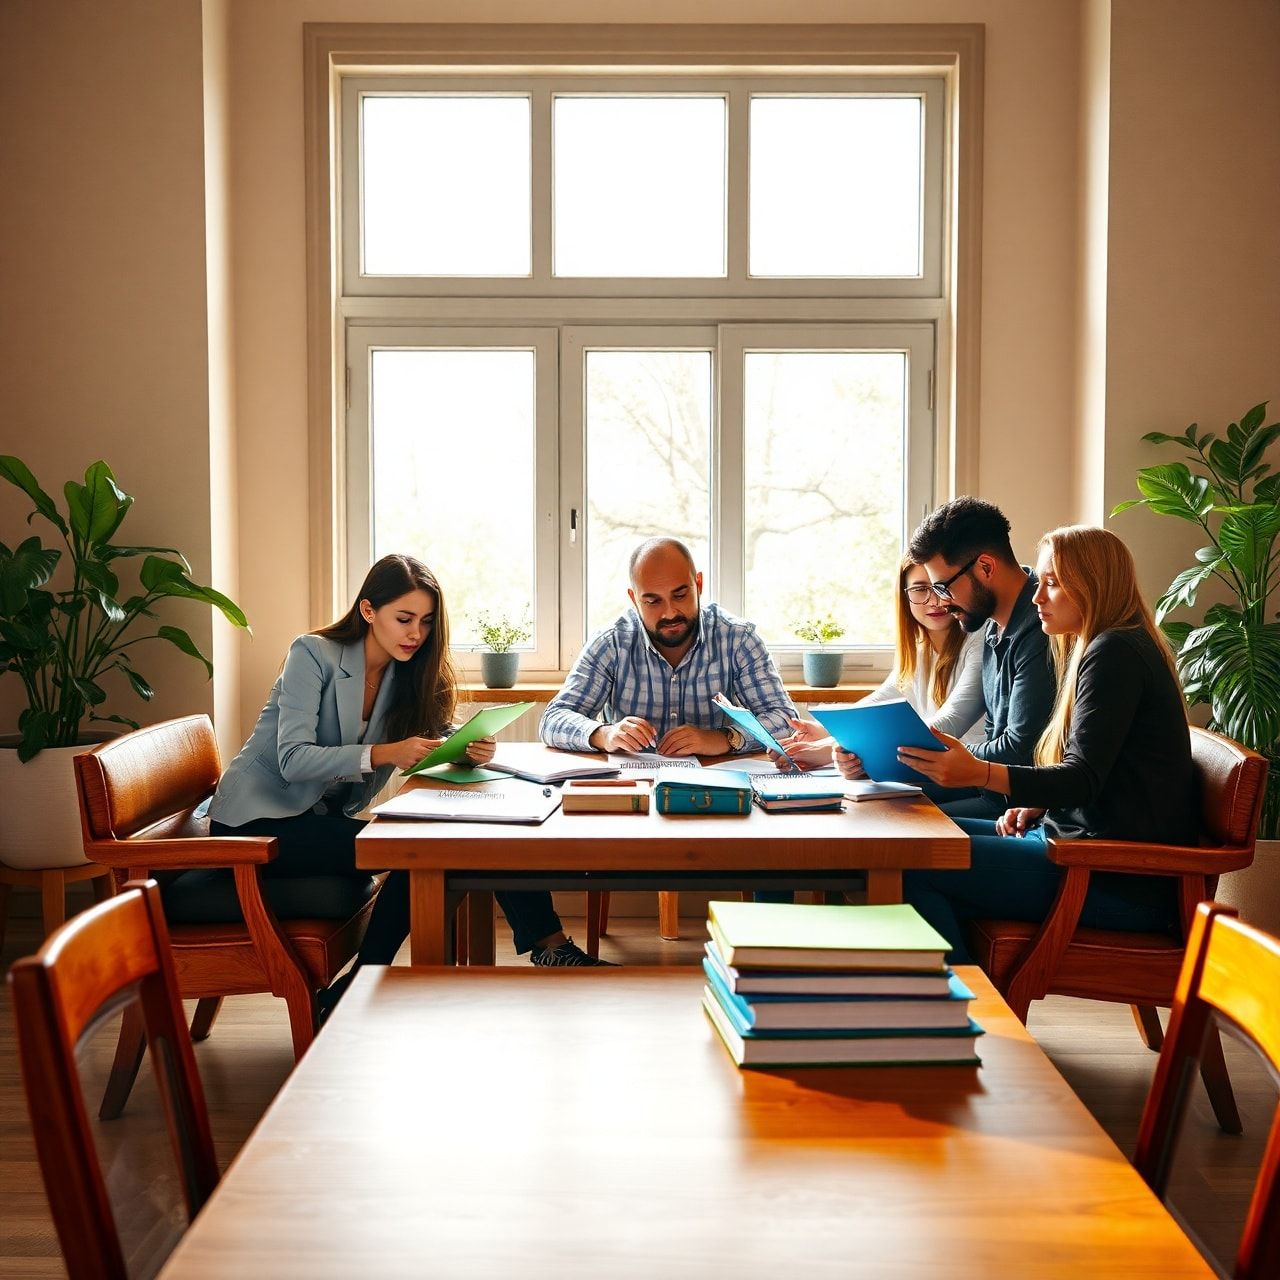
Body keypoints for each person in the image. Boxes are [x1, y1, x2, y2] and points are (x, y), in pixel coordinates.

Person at [209, 555, 610, 1019]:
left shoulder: (407, 672)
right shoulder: (312, 654)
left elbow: (436, 733)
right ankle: (361, 990)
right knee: (413, 852)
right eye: (403, 619)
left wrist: (466, 746)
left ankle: (545, 946)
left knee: (452, 840)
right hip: (255, 824)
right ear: (367, 611)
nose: (415, 633)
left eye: (424, 622)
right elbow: (293, 760)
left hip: (314, 821)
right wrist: (387, 752)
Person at [893, 525, 1193, 962]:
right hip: (1075, 848)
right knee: (912, 842)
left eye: (1052, 583)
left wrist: (980, 773)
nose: (1037, 597)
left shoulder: (1115, 654)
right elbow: (1100, 772)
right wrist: (1038, 804)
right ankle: (957, 1002)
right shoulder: (1100, 647)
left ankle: (959, 1014)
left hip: (1112, 877)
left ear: (1093, 586)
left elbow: (1082, 779)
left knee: (914, 863)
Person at [540, 537, 796, 756]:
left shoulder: (738, 639)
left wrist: (723, 739)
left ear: (698, 584)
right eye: (653, 601)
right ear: (634, 599)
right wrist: (603, 734)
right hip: (633, 789)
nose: (670, 613)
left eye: (680, 595)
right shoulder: (611, 643)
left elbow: (785, 720)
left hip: (714, 788)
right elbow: (553, 720)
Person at [901, 496, 1057, 818]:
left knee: (903, 827)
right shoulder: (990, 626)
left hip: (1013, 802)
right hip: (991, 791)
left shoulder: (1042, 629)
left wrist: (940, 756)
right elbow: (993, 735)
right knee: (880, 793)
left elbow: (1019, 751)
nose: (941, 604)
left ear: (985, 567)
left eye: (943, 587)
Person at [778, 555, 986, 771]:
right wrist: (825, 730)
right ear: (904, 596)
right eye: (920, 589)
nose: (934, 601)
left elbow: (948, 723)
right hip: (929, 773)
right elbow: (879, 703)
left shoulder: (979, 639)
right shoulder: (919, 648)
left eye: (939, 587)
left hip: (971, 776)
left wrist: (834, 747)